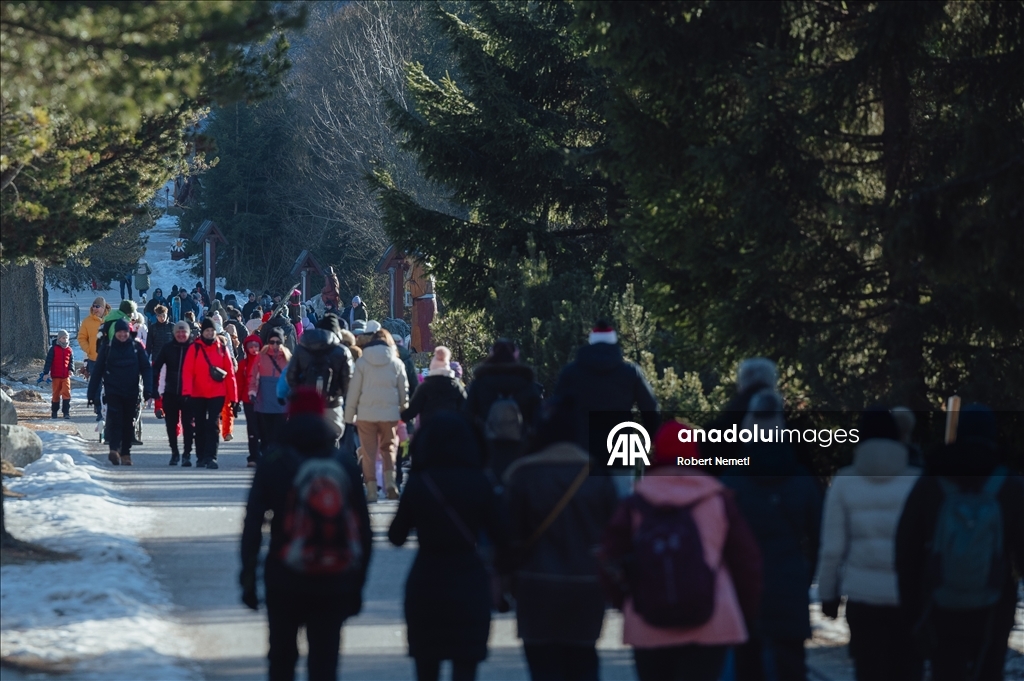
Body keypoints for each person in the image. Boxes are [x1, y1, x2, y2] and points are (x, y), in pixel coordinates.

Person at [601, 421, 763, 681]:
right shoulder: (717, 499)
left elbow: (608, 559)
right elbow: (747, 563)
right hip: (712, 622)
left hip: (649, 622)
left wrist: (629, 602)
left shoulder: (635, 503)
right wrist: (743, 612)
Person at [240, 387, 373, 681]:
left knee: (282, 658)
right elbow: (363, 528)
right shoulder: (343, 463)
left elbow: (252, 523)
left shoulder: (274, 459)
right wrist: (357, 583)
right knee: (325, 661)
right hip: (334, 576)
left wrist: (248, 578)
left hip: (285, 570)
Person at [896, 404, 1024, 681]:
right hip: (994, 603)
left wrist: (912, 610)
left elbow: (905, 549)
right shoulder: (1010, 485)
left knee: (946, 671)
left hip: (941, 601)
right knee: (988, 671)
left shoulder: (932, 483)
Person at [502, 396, 619, 681]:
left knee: (543, 666)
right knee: (583, 659)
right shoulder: (597, 474)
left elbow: (508, 538)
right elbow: (614, 534)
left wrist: (503, 581)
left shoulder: (522, 475)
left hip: (535, 584)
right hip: (587, 585)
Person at [388, 412, 507, 681]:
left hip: (426, 581)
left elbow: (397, 536)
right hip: (469, 582)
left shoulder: (420, 482)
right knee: (465, 666)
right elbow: (504, 535)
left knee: (426, 666)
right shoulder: (480, 483)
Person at [722, 390, 824, 681]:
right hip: (789, 586)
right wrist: (806, 578)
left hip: (742, 592)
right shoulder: (802, 480)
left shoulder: (732, 480)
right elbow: (819, 538)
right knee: (791, 668)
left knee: (747, 668)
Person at [817, 406, 922, 681]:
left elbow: (832, 549)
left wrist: (828, 595)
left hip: (863, 598)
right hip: (909, 597)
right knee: (907, 671)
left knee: (869, 671)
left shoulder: (844, 481)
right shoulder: (917, 481)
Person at [552, 320, 658, 492]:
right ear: (614, 341)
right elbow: (651, 409)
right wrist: (652, 441)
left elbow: (557, 410)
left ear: (591, 341)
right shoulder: (631, 372)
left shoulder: (571, 372)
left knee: (585, 508)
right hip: (622, 449)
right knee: (622, 506)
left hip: (582, 449)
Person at [344, 329, 410, 502]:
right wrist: (403, 407)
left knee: (368, 453)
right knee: (388, 449)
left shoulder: (363, 362)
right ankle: (390, 484)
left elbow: (354, 391)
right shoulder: (396, 362)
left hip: (366, 414)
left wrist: (349, 416)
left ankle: (372, 490)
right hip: (390, 414)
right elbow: (404, 390)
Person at [465, 339, 543, 481]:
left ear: (491, 355)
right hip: (519, 446)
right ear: (516, 355)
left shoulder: (480, 383)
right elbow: (538, 419)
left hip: (487, 445)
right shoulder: (527, 383)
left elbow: (467, 415)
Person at [88, 318, 154, 466]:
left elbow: (146, 369)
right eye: (119, 332)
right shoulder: (107, 347)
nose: (122, 334)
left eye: (125, 332)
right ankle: (114, 450)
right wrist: (91, 393)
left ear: (129, 332)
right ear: (115, 333)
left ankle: (125, 453)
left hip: (131, 392)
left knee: (128, 423)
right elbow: (97, 371)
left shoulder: (136, 348)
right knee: (115, 420)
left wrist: (148, 389)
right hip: (113, 391)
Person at [284, 313, 353, 443]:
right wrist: (336, 395)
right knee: (332, 439)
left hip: (306, 403)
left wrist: (302, 392)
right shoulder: (342, 351)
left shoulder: (302, 348)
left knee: (306, 440)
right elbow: (347, 381)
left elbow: (290, 375)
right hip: (332, 404)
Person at [181, 318, 237, 470]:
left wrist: (233, 397)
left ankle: (211, 457)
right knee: (199, 425)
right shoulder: (195, 348)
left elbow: (230, 373)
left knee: (213, 425)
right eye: (207, 331)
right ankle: (200, 457)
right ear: (202, 332)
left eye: (212, 331)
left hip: (217, 393)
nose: (210, 333)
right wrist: (186, 392)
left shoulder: (222, 348)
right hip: (198, 393)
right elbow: (187, 372)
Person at [154, 322, 198, 466]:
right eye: (178, 332)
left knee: (188, 425)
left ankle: (186, 454)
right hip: (171, 392)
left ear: (188, 333)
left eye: (183, 332)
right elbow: (156, 368)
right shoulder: (168, 348)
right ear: (174, 333)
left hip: (189, 394)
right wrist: (154, 388)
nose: (181, 335)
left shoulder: (194, 348)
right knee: (171, 425)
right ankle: (174, 452)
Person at [249, 327, 292, 459]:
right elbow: (253, 375)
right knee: (265, 433)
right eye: (272, 342)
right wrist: (252, 392)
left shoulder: (288, 358)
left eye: (278, 342)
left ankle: (276, 457)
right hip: (264, 400)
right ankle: (267, 456)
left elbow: (293, 379)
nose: (275, 345)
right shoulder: (261, 356)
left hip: (281, 401)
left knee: (279, 431)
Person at [402, 346, 466, 428]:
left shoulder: (425, 387)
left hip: (429, 430)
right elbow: (467, 408)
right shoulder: (456, 386)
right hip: (451, 430)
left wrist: (401, 417)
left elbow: (412, 410)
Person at [236, 334, 263, 467]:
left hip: (264, 400)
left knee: (263, 428)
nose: (253, 349)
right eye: (250, 346)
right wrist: (236, 401)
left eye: (256, 346)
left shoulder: (265, 362)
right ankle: (253, 455)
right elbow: (239, 383)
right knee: (252, 428)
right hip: (248, 400)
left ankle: (262, 452)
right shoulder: (243, 364)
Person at [43, 330, 75, 419]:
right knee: (56, 393)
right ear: (59, 339)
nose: (65, 340)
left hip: (65, 376)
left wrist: (71, 369)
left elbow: (71, 362)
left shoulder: (69, 349)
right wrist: (46, 373)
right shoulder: (53, 349)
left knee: (66, 393)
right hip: (56, 375)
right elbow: (48, 362)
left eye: (66, 338)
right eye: (63, 338)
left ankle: (66, 412)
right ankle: (54, 411)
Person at [77, 297, 106, 379]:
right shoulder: (86, 321)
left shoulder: (110, 320)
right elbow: (81, 338)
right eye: (93, 306)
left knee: (110, 386)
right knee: (95, 386)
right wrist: (88, 349)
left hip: (108, 359)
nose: (95, 308)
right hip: (93, 359)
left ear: (103, 308)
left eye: (97, 306)